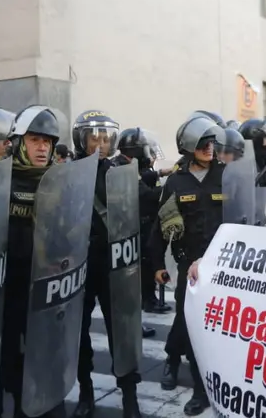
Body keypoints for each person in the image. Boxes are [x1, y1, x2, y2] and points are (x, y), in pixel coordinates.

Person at [150, 115, 225, 415]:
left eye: (213, 142)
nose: (210, 148)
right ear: (189, 146)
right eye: (203, 143)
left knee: (220, 330)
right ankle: (199, 389)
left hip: (225, 267)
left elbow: (247, 212)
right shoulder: (176, 182)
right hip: (189, 269)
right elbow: (162, 224)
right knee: (191, 326)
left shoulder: (227, 175)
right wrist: (156, 262)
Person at [0, 105, 68, 418]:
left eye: (47, 142)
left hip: (47, 287)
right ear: (18, 142)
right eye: (35, 140)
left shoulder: (58, 181)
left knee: (47, 356)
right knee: (9, 356)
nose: (43, 148)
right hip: (8, 288)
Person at [72, 110, 142, 418]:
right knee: (79, 334)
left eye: (105, 138)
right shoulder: (68, 172)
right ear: (81, 140)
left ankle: (130, 396)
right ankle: (86, 392)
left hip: (113, 264)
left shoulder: (121, 171)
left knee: (122, 332)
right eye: (94, 138)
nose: (100, 143)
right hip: (79, 265)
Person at [114, 127, 170, 319]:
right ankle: (142, 306)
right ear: (136, 150)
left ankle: (148, 299)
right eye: (146, 149)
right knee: (140, 269)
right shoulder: (121, 167)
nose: (150, 154)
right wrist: (171, 189)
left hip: (139, 225)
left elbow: (144, 176)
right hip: (129, 228)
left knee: (146, 264)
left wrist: (163, 172)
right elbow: (144, 194)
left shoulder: (129, 165)